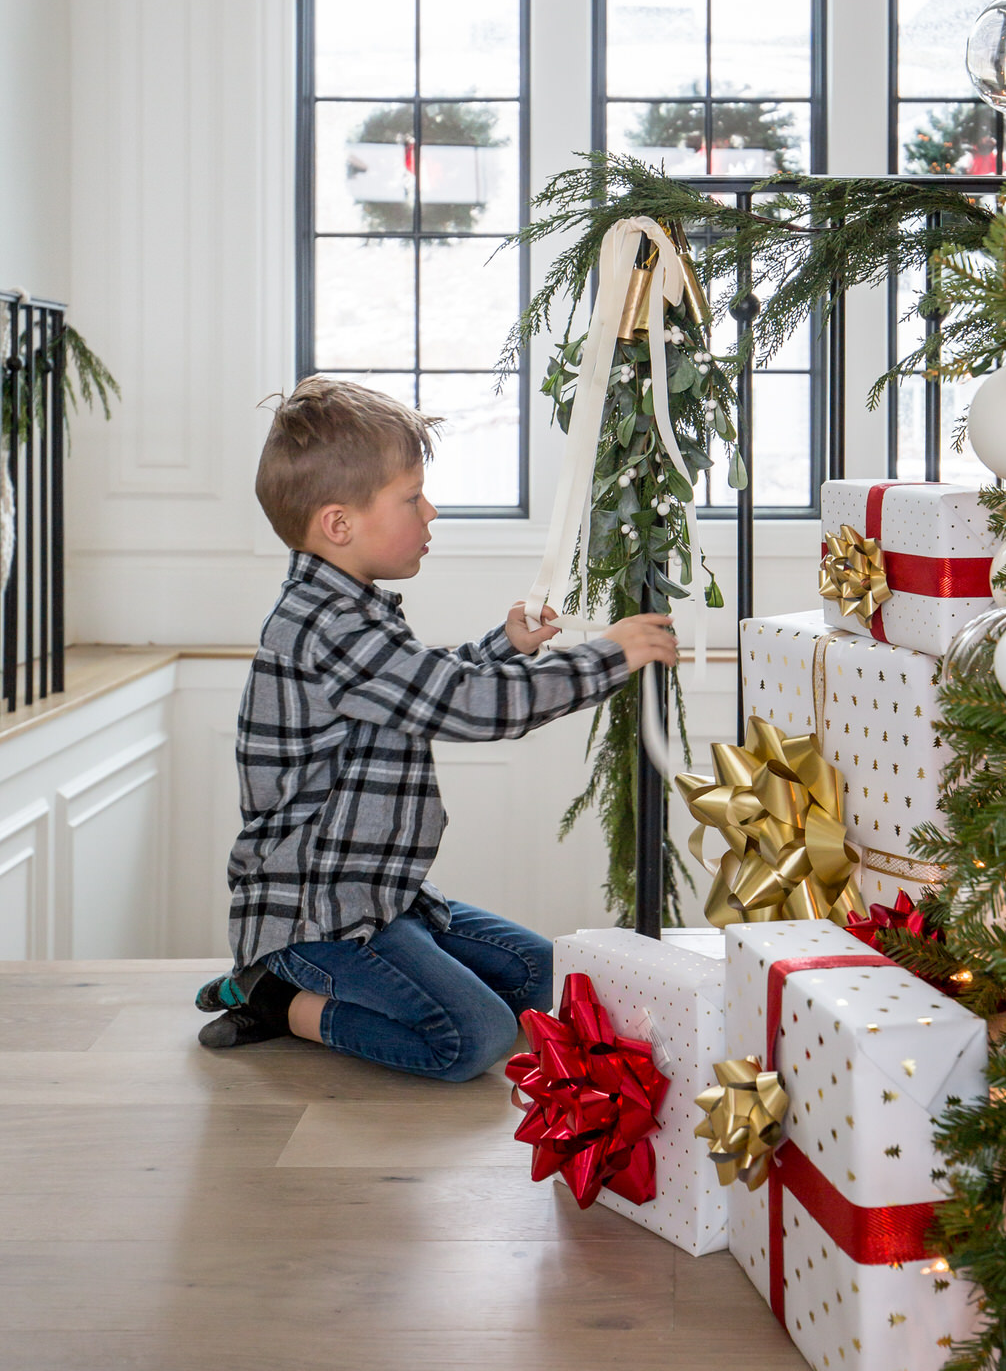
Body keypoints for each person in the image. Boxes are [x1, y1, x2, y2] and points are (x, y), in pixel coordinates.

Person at [195, 375, 677, 1080]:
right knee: (471, 1039)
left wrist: (503, 647)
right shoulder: (323, 625)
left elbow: (418, 684)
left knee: (543, 978)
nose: (432, 511)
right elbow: (462, 705)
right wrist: (607, 658)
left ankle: (346, 979)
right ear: (340, 523)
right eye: (411, 498)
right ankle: (277, 999)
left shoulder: (350, 612)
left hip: (381, 899)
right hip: (315, 919)